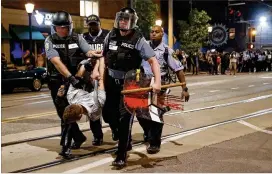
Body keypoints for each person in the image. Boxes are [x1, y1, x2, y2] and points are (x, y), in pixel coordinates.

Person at [102, 7, 161, 168]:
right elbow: (102, 56)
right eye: (121, 18)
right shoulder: (111, 35)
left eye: (126, 19)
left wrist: (157, 81)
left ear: (132, 22)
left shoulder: (138, 39)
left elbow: (153, 61)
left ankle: (122, 154)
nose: (122, 21)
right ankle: (125, 139)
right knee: (107, 114)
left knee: (125, 119)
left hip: (131, 84)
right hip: (112, 83)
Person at [44, 10, 102, 158]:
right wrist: (70, 77)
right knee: (61, 112)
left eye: (65, 27)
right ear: (54, 28)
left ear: (69, 26)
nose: (62, 30)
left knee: (69, 113)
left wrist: (92, 54)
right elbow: (56, 62)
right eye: (59, 27)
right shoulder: (49, 41)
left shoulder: (77, 38)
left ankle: (65, 146)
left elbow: (87, 51)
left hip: (77, 79)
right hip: (58, 80)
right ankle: (78, 137)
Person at [140, 25, 190, 154]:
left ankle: (155, 143)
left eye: (157, 32)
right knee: (140, 112)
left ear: (162, 34)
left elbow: (179, 70)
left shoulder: (167, 51)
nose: (153, 34)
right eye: (152, 32)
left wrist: (184, 88)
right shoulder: (143, 47)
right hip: (145, 83)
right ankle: (149, 132)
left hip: (161, 84)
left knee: (155, 113)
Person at [57, 55, 106, 158]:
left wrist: (92, 63)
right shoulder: (73, 99)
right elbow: (98, 79)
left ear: (79, 117)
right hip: (93, 81)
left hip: (91, 77)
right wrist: (97, 63)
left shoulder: (72, 97)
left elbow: (79, 77)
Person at [82, 14, 109, 146]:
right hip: (89, 76)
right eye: (90, 25)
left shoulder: (107, 35)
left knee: (109, 106)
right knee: (92, 107)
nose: (92, 27)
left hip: (105, 74)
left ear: (99, 24)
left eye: (95, 24)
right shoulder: (83, 38)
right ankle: (97, 135)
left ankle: (115, 128)